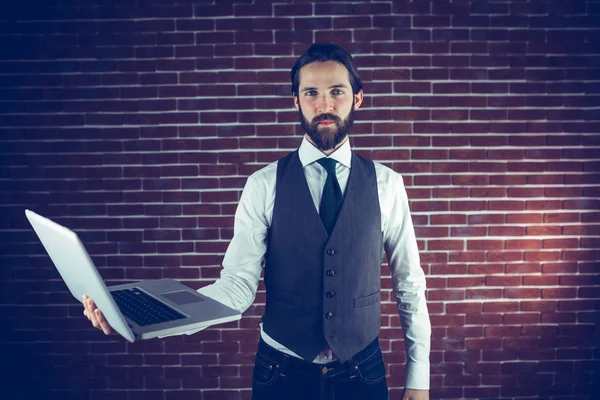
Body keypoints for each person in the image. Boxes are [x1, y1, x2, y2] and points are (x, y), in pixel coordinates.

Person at [83, 43, 431, 400]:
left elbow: (409, 285)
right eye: (311, 92)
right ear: (296, 101)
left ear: (357, 98)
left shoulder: (388, 184)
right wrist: (143, 321)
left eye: (336, 92)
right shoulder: (263, 184)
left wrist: (419, 380)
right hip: (281, 374)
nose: (324, 105)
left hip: (363, 373)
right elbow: (235, 289)